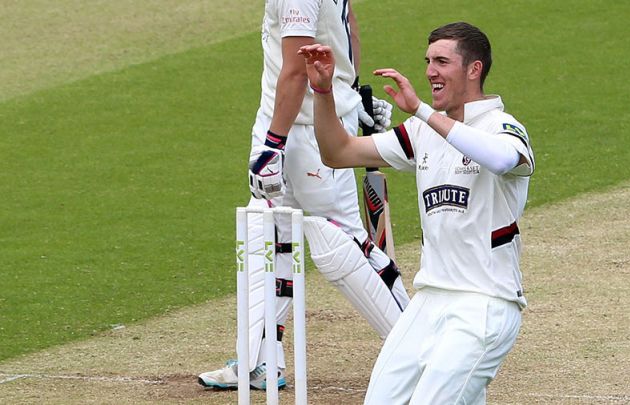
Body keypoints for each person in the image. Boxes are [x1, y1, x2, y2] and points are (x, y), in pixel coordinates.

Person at [299, 21, 535, 404]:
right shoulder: (422, 132)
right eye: (428, 61)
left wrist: (422, 111)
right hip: (427, 302)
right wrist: (322, 91)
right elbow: (337, 152)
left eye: (441, 61)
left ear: (473, 69)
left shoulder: (501, 126)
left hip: (484, 304)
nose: (429, 72)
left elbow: (503, 159)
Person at [197, 0, 410, 391]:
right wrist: (350, 92)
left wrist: (273, 144)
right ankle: (260, 360)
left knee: (343, 240)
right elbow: (349, 26)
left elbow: (297, 69)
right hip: (292, 119)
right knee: (269, 234)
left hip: (307, 129)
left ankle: (418, 350)